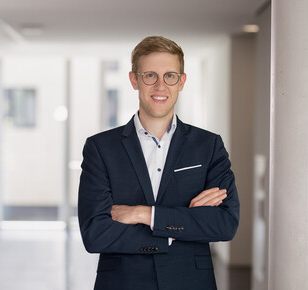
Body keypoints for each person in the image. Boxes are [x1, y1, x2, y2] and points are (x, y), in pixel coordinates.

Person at [78, 35, 240, 290]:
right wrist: (178, 229)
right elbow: (95, 234)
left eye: (170, 76)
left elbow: (225, 224)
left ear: (182, 81)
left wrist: (145, 214)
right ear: (134, 80)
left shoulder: (209, 146)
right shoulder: (101, 148)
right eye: (150, 76)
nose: (160, 86)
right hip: (122, 282)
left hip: (190, 282)